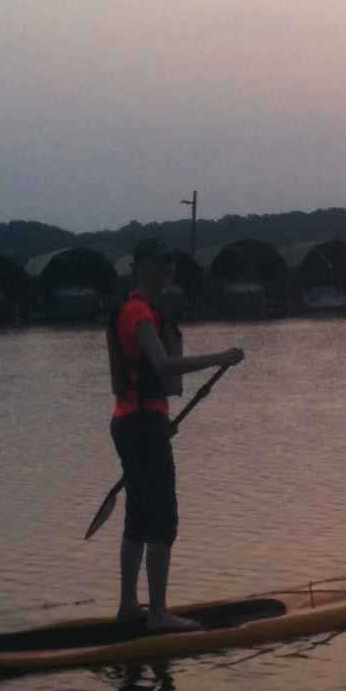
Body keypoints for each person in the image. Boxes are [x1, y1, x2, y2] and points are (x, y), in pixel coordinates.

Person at [107, 237, 243, 631]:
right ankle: (159, 615)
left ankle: (129, 609)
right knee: (162, 518)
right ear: (141, 267)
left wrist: (158, 421)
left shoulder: (138, 308)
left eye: (171, 266)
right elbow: (164, 365)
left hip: (136, 422)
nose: (168, 272)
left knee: (137, 517)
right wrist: (219, 358)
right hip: (140, 424)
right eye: (160, 265)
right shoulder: (137, 312)